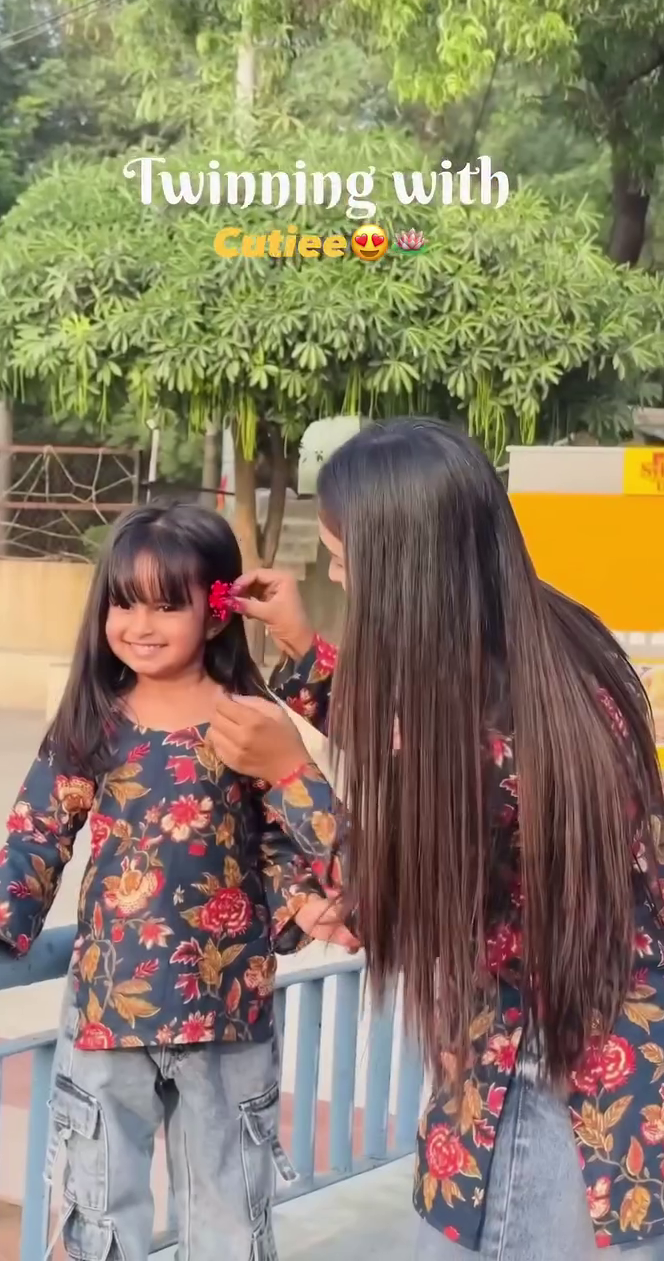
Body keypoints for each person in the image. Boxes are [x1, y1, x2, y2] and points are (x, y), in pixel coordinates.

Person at [208, 418, 664, 1259]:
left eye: (345, 563)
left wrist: (289, 775)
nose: (336, 575)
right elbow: (424, 747)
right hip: (557, 1068)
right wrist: (307, 651)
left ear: (407, 568)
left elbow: (408, 889)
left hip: (549, 1099)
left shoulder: (496, 732)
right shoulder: (556, 646)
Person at [0, 502, 354, 1261]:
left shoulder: (250, 720)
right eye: (125, 602)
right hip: (109, 1010)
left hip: (228, 1013)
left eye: (169, 604)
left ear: (219, 610)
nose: (141, 623)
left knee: (230, 1219)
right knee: (100, 1214)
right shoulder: (93, 719)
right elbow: (39, 828)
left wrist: (301, 901)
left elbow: (276, 842)